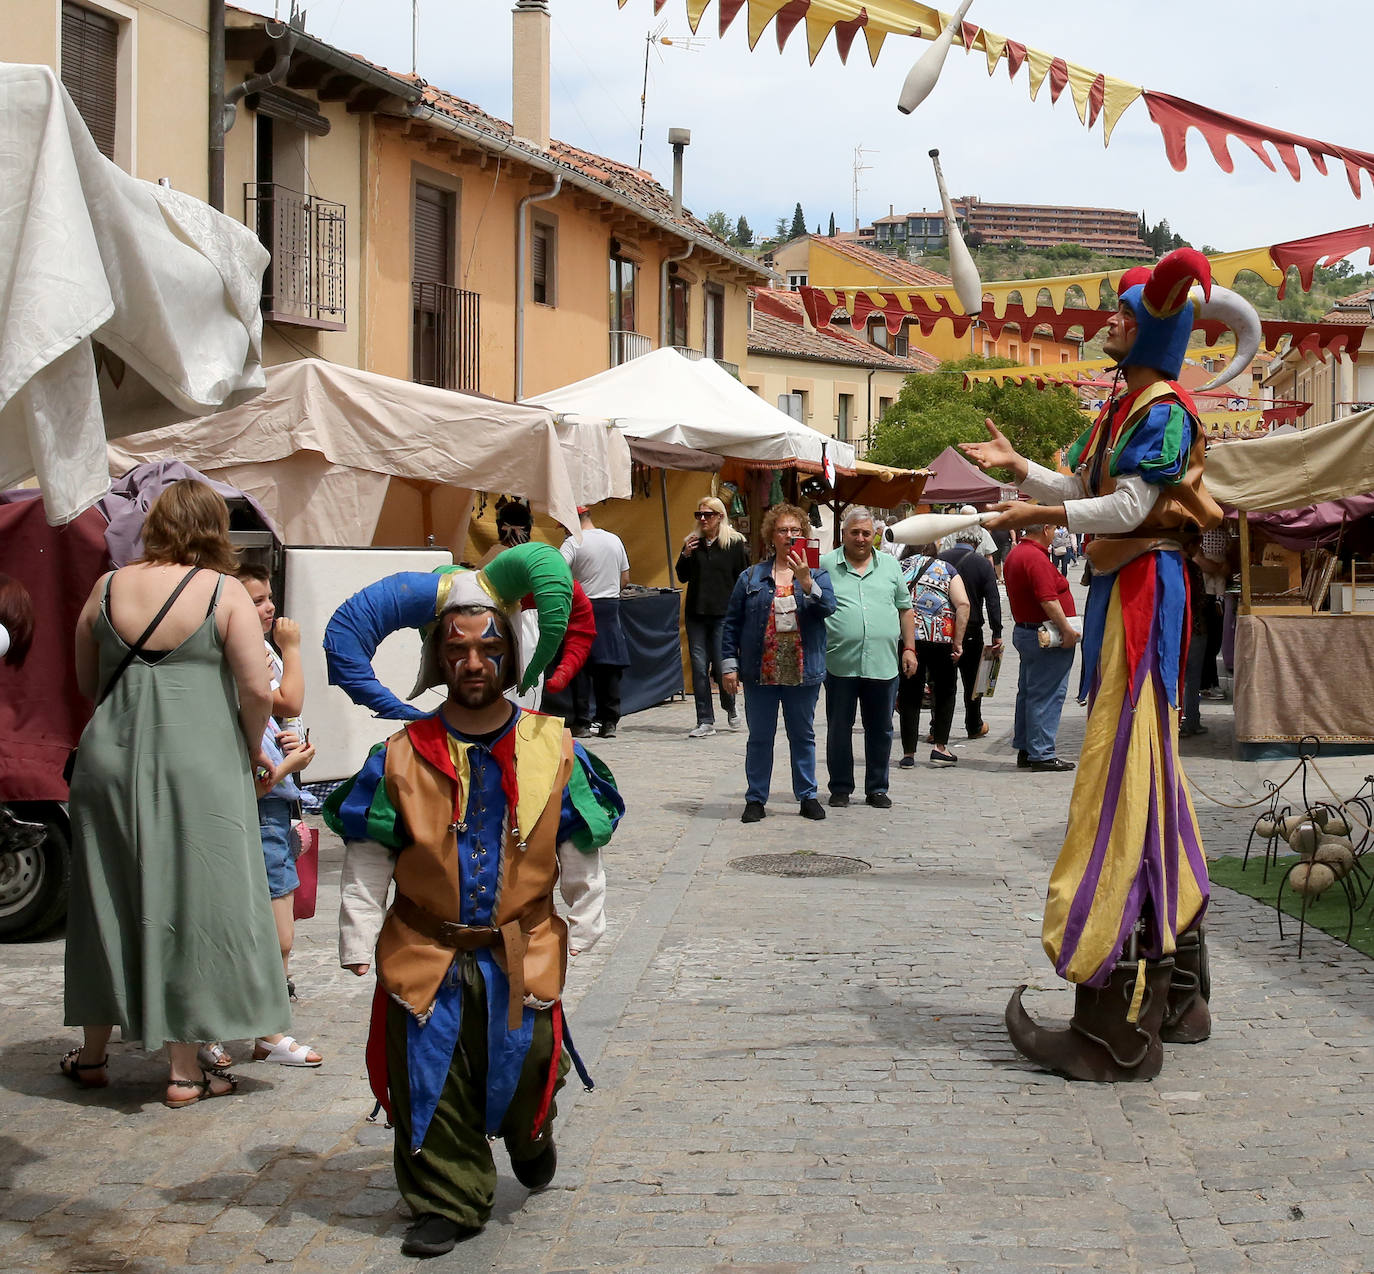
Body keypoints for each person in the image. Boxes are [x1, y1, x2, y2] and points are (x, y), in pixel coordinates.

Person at [962, 245, 1260, 1080]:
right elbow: (1094, 487)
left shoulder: (1161, 409)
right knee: (1148, 778)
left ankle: (1111, 1033)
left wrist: (1032, 505)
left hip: (1142, 594)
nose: (1110, 323)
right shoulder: (1125, 407)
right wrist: (1025, 470)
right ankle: (1177, 996)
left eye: (1126, 313)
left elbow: (1130, 505)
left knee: (1121, 779)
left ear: (1157, 328)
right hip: (1124, 587)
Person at [324, 543, 622, 1257]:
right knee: (429, 1073)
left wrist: (587, 919)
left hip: (524, 949)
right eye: (457, 651)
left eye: (489, 648)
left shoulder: (554, 746)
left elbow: (578, 841)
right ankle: (446, 1198)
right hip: (423, 948)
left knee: (524, 1065)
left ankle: (530, 1130)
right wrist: (355, 938)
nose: (474, 663)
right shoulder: (398, 755)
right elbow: (369, 853)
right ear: (437, 660)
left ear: (509, 659)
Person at [61, 480, 291, 1107]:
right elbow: (256, 688)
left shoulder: (108, 587)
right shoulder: (221, 591)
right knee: (198, 900)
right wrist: (250, 749)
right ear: (214, 529)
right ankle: (185, 1070)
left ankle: (92, 1055)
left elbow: (86, 679)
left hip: (109, 755)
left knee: (106, 896)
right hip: (200, 759)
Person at [235, 563, 324, 1067]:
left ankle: (267, 1030)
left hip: (277, 800)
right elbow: (288, 695)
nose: (269, 609)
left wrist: (291, 737)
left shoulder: (257, 651)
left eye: (269, 598)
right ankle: (268, 1033)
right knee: (277, 932)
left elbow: (285, 710)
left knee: (281, 929)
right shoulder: (250, 655)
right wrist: (292, 647)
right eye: (256, 600)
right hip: (265, 800)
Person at [721, 503, 836, 823]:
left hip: (803, 667)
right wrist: (729, 665)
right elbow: (731, 624)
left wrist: (806, 582)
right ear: (771, 536)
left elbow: (829, 608)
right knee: (760, 736)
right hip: (761, 669)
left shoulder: (818, 574)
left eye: (795, 531)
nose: (789, 536)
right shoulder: (751, 576)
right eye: (783, 530)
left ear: (804, 535)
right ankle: (756, 797)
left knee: (803, 735)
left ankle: (807, 795)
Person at [820, 507, 916, 809]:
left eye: (866, 533)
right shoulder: (825, 565)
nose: (861, 538)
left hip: (882, 663)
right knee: (838, 729)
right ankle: (840, 787)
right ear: (843, 535)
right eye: (855, 532)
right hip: (839, 663)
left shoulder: (889, 566)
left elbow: (905, 608)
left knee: (881, 729)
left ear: (875, 535)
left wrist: (910, 648)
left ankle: (876, 787)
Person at [1003, 524, 1079, 773]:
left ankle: (1028, 747)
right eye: (1054, 528)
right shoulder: (1035, 557)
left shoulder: (1018, 553)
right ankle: (1042, 752)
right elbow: (1048, 598)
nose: (1055, 533)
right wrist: (1066, 629)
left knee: (1029, 692)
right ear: (1045, 529)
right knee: (1046, 693)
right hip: (1044, 633)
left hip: (1027, 630)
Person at [675, 495, 751, 737]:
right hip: (696, 613)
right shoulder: (692, 543)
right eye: (699, 515)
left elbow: (743, 578)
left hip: (723, 614)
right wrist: (685, 555)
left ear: (720, 517)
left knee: (721, 667)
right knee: (698, 667)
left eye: (708, 515)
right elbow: (682, 576)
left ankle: (730, 705)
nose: (703, 519)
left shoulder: (735, 543)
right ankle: (705, 719)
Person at [895, 545, 969, 767]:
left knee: (909, 693)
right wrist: (958, 641)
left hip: (908, 638)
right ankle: (940, 747)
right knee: (945, 691)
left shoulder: (898, 568)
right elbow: (963, 604)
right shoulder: (946, 568)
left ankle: (908, 753)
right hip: (941, 637)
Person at [560, 505, 629, 740]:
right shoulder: (614, 540)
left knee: (579, 665)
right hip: (610, 607)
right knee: (608, 666)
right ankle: (609, 721)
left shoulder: (572, 543)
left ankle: (582, 721)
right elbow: (625, 578)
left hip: (582, 608)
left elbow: (559, 574)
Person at [938, 525, 1004, 740]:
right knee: (973, 682)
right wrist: (997, 631)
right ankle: (973, 724)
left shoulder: (941, 559)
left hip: (944, 629)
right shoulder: (982, 564)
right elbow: (993, 600)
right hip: (972, 630)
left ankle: (936, 728)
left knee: (942, 682)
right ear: (977, 542)